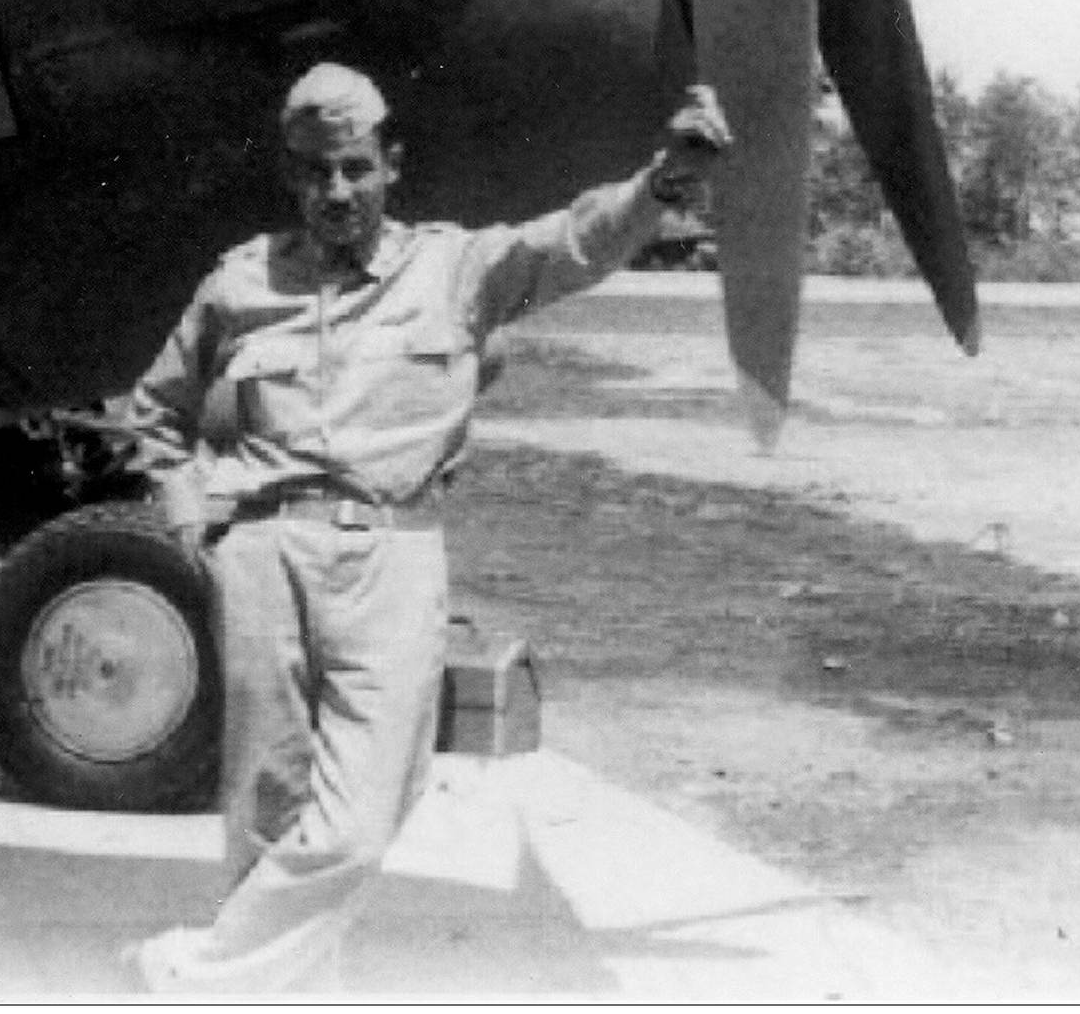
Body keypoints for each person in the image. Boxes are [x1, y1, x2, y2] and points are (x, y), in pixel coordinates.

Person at [125, 62, 732, 997]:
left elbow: (574, 240)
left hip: (391, 556)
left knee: (364, 814)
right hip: (260, 553)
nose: (338, 190)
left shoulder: (455, 268)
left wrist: (662, 181)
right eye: (318, 170)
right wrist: (189, 523)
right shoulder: (240, 281)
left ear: (391, 164)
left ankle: (197, 971)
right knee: (266, 810)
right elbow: (154, 411)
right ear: (292, 174)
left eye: (357, 168)